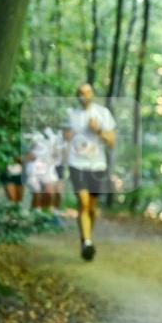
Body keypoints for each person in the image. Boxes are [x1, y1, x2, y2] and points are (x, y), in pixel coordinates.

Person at [65, 84, 116, 260]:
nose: (84, 96)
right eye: (80, 93)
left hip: (96, 166)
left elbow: (112, 142)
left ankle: (86, 237)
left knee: (92, 208)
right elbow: (63, 138)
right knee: (83, 202)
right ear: (77, 96)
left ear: (92, 94)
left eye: (87, 93)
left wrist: (98, 130)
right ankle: (87, 242)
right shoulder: (70, 115)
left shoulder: (102, 114)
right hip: (76, 164)